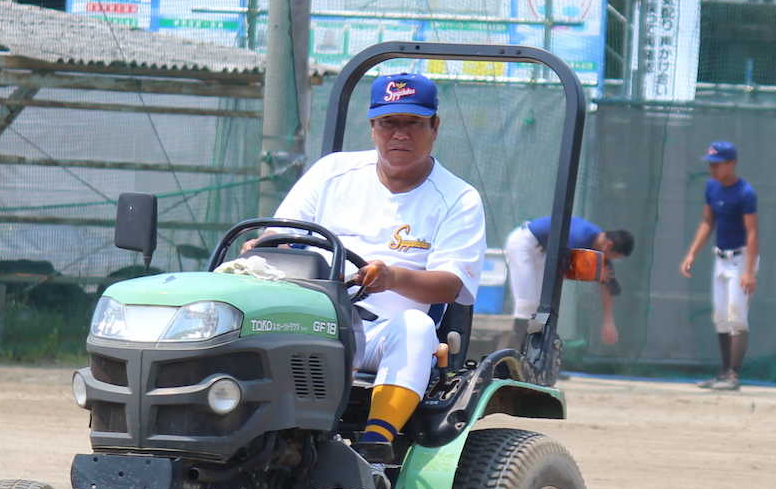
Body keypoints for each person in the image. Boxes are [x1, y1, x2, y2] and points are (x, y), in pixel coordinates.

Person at [260, 72, 486, 462]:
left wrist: (393, 277)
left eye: (413, 123)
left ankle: (376, 439)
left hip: (387, 336)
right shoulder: (332, 173)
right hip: (315, 324)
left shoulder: (458, 198)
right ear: (372, 128)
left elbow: (451, 284)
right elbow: (277, 237)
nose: (400, 134)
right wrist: (260, 246)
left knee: (417, 327)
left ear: (434, 127)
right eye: (389, 123)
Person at [679, 140, 759, 392]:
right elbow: (707, 222)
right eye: (710, 164)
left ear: (731, 163)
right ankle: (723, 373)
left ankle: (733, 375)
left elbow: (752, 232)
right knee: (721, 318)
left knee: (737, 317)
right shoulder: (711, 187)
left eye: (717, 163)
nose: (713, 168)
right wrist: (691, 253)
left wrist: (748, 271)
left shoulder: (745, 192)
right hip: (721, 258)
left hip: (740, 259)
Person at [503, 215, 634, 348]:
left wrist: (608, 322)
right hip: (524, 244)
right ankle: (509, 356)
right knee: (525, 305)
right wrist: (594, 273)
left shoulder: (600, 247)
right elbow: (561, 272)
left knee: (541, 306)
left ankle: (530, 348)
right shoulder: (579, 236)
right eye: (615, 256)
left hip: (543, 253)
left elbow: (607, 285)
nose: (613, 260)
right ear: (609, 245)